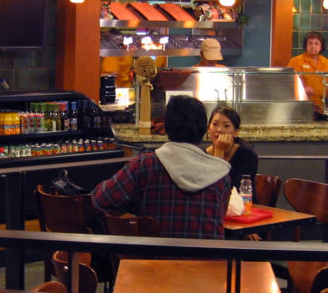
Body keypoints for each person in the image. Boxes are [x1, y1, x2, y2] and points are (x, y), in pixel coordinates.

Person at [91, 95, 231, 239]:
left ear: (166, 126)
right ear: (204, 130)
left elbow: (98, 201)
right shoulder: (221, 176)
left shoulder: (144, 166)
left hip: (155, 253)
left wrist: (130, 221)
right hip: (208, 253)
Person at [204, 105, 262, 241]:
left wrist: (247, 226)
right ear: (208, 129)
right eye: (215, 124)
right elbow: (209, 195)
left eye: (226, 126)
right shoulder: (202, 156)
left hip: (239, 214)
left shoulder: (247, 156)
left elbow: (232, 192)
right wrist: (218, 152)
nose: (219, 130)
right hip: (211, 216)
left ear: (235, 132)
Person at [286, 32, 328, 113]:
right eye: (310, 43)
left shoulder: (327, 63)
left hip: (320, 108)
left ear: (321, 47)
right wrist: (303, 89)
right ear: (306, 45)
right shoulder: (296, 61)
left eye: (316, 44)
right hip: (300, 106)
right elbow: (287, 81)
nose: (313, 46)